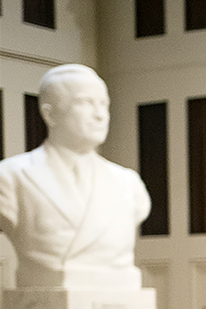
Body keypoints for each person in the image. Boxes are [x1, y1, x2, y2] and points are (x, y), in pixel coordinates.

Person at [0, 64, 150, 289]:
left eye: (104, 105)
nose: (100, 115)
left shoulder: (127, 183)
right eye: (86, 103)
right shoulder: (11, 176)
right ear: (49, 114)